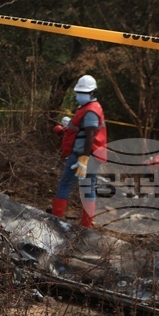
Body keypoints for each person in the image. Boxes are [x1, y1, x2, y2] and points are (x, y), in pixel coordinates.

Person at [50, 74, 106, 228]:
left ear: (92, 93)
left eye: (84, 92)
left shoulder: (90, 111)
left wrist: (83, 159)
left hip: (83, 155)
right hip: (91, 155)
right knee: (89, 188)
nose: (80, 95)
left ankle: (55, 220)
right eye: (79, 92)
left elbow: (90, 136)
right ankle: (86, 225)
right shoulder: (89, 108)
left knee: (65, 184)